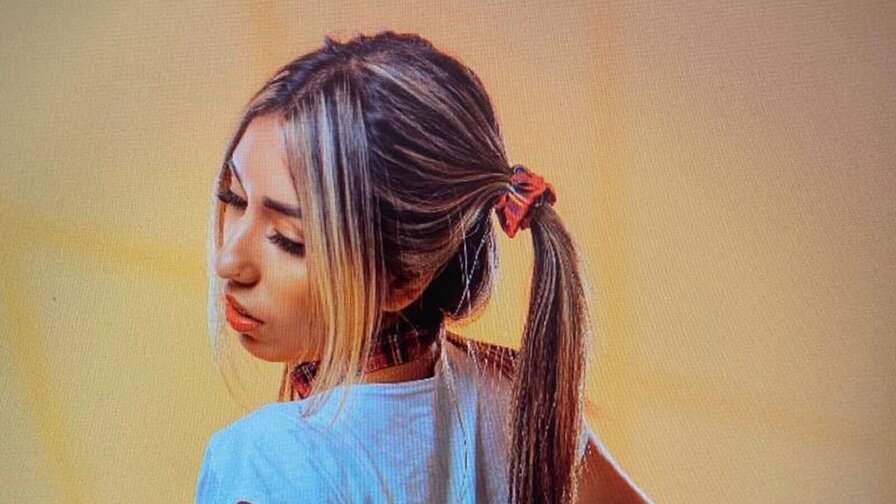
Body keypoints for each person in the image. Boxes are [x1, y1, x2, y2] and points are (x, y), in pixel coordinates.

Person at [196, 30, 653, 503]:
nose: (229, 262)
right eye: (235, 198)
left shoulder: (264, 463)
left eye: (288, 240)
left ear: (404, 280)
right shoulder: (516, 401)